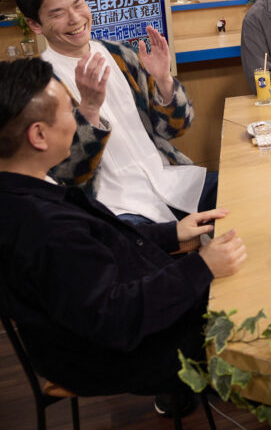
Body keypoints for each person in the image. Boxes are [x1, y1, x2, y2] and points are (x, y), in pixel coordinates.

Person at [0, 56, 246, 405]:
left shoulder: (23, 189)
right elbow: (116, 318)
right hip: (122, 353)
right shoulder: (45, 227)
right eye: (70, 110)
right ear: (39, 135)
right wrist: (202, 266)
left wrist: (172, 233)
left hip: (126, 310)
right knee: (259, 314)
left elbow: (102, 243)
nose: (78, 118)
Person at [14, 0, 216, 225]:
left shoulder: (122, 55)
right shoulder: (39, 86)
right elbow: (65, 174)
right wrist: (89, 110)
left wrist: (164, 80)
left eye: (78, 4)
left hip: (170, 182)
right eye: (58, 14)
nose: (75, 18)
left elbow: (174, 129)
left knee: (240, 192)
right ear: (35, 25)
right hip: (113, 209)